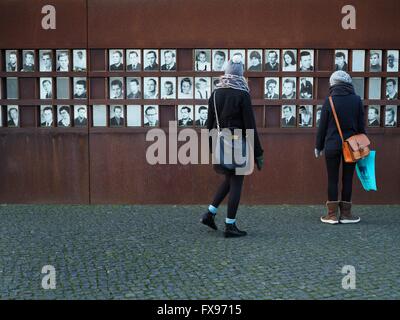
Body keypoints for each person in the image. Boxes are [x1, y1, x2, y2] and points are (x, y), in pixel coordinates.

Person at [201, 56, 264, 238]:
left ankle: (209, 214)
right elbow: (250, 125)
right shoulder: (242, 93)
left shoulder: (216, 93)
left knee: (230, 178)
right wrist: (258, 152)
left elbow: (209, 124)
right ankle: (230, 226)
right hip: (238, 142)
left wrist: (210, 148)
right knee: (237, 181)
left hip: (221, 140)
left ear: (226, 71)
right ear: (241, 72)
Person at [315, 70, 365, 224]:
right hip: (352, 146)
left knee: (332, 179)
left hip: (331, 146)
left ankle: (331, 216)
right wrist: (361, 145)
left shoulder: (329, 100)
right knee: (348, 179)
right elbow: (361, 127)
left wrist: (318, 146)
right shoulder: (356, 100)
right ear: (348, 83)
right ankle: (346, 215)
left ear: (333, 83)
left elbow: (322, 126)